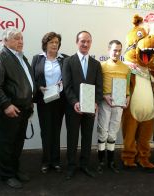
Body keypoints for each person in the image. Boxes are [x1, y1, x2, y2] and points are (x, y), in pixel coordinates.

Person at [0, 27, 36, 189]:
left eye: (21, 38)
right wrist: (6, 104)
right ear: (5, 41)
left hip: (22, 109)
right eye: (16, 38)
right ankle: (7, 175)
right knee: (6, 143)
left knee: (17, 143)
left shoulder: (22, 58)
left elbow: (26, 82)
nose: (20, 41)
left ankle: (14, 170)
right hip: (8, 110)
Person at [62, 31, 103, 179]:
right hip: (74, 108)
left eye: (88, 41)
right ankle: (71, 166)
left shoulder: (96, 64)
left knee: (87, 137)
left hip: (90, 107)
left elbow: (99, 86)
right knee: (72, 137)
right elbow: (66, 86)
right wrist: (75, 102)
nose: (85, 44)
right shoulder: (68, 61)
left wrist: (96, 102)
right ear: (77, 42)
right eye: (82, 41)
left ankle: (85, 165)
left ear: (91, 43)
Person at [31, 32, 68, 173]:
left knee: (56, 131)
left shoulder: (65, 59)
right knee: (46, 131)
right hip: (43, 100)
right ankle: (46, 161)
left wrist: (64, 82)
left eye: (57, 42)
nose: (54, 44)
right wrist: (38, 87)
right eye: (51, 42)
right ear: (45, 44)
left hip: (59, 100)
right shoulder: (37, 59)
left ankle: (56, 161)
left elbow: (69, 77)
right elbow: (32, 79)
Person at [97, 40, 130, 174]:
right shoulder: (101, 66)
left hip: (119, 102)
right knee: (103, 131)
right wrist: (104, 96)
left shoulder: (126, 67)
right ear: (109, 50)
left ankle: (110, 161)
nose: (116, 53)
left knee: (113, 132)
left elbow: (127, 86)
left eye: (119, 50)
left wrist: (128, 97)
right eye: (114, 50)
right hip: (105, 101)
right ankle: (100, 162)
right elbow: (97, 84)